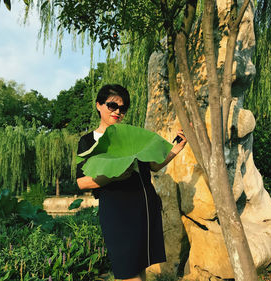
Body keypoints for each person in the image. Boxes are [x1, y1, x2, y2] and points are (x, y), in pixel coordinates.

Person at [76, 84, 187, 281]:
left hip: (144, 207)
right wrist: (114, 175)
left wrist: (175, 148)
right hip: (117, 211)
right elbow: (82, 182)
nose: (118, 111)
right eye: (112, 106)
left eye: (123, 108)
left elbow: (152, 165)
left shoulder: (133, 136)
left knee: (140, 269)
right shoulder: (88, 141)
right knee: (127, 273)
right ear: (99, 105)